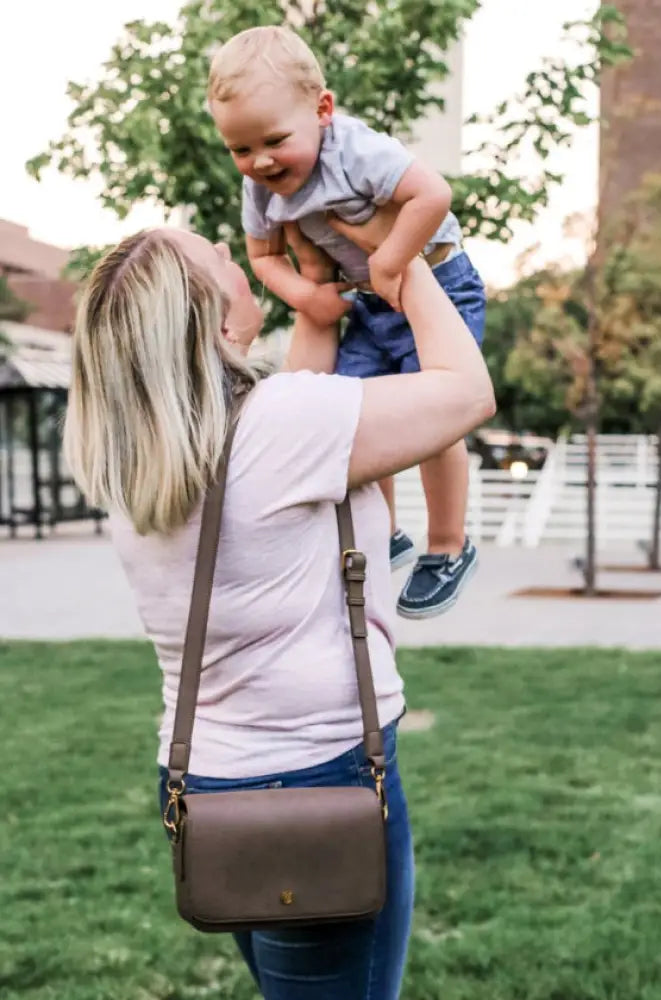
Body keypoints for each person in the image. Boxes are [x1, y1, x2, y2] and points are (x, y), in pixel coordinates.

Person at [62, 209, 495, 1000]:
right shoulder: (282, 425)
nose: (235, 252)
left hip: (208, 779)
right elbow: (466, 394)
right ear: (214, 314)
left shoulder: (142, 452)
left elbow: (299, 393)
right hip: (317, 782)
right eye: (216, 257)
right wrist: (410, 257)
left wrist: (314, 303)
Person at [207, 25, 488, 620]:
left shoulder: (354, 150)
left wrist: (390, 258)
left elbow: (432, 195)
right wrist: (307, 297)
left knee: (438, 421)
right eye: (239, 149)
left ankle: (448, 546)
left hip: (437, 279)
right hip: (366, 301)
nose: (259, 160)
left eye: (275, 140)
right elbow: (263, 258)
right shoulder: (258, 187)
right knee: (351, 408)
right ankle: (385, 532)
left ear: (323, 110)